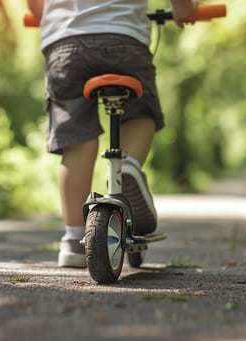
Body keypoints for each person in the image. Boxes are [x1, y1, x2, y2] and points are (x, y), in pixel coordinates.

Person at [27, 0, 195, 267]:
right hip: (124, 39)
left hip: (65, 43)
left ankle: (74, 239)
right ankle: (127, 166)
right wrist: (184, 9)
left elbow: (36, 6)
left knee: (76, 142)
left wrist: (45, 13)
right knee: (140, 113)